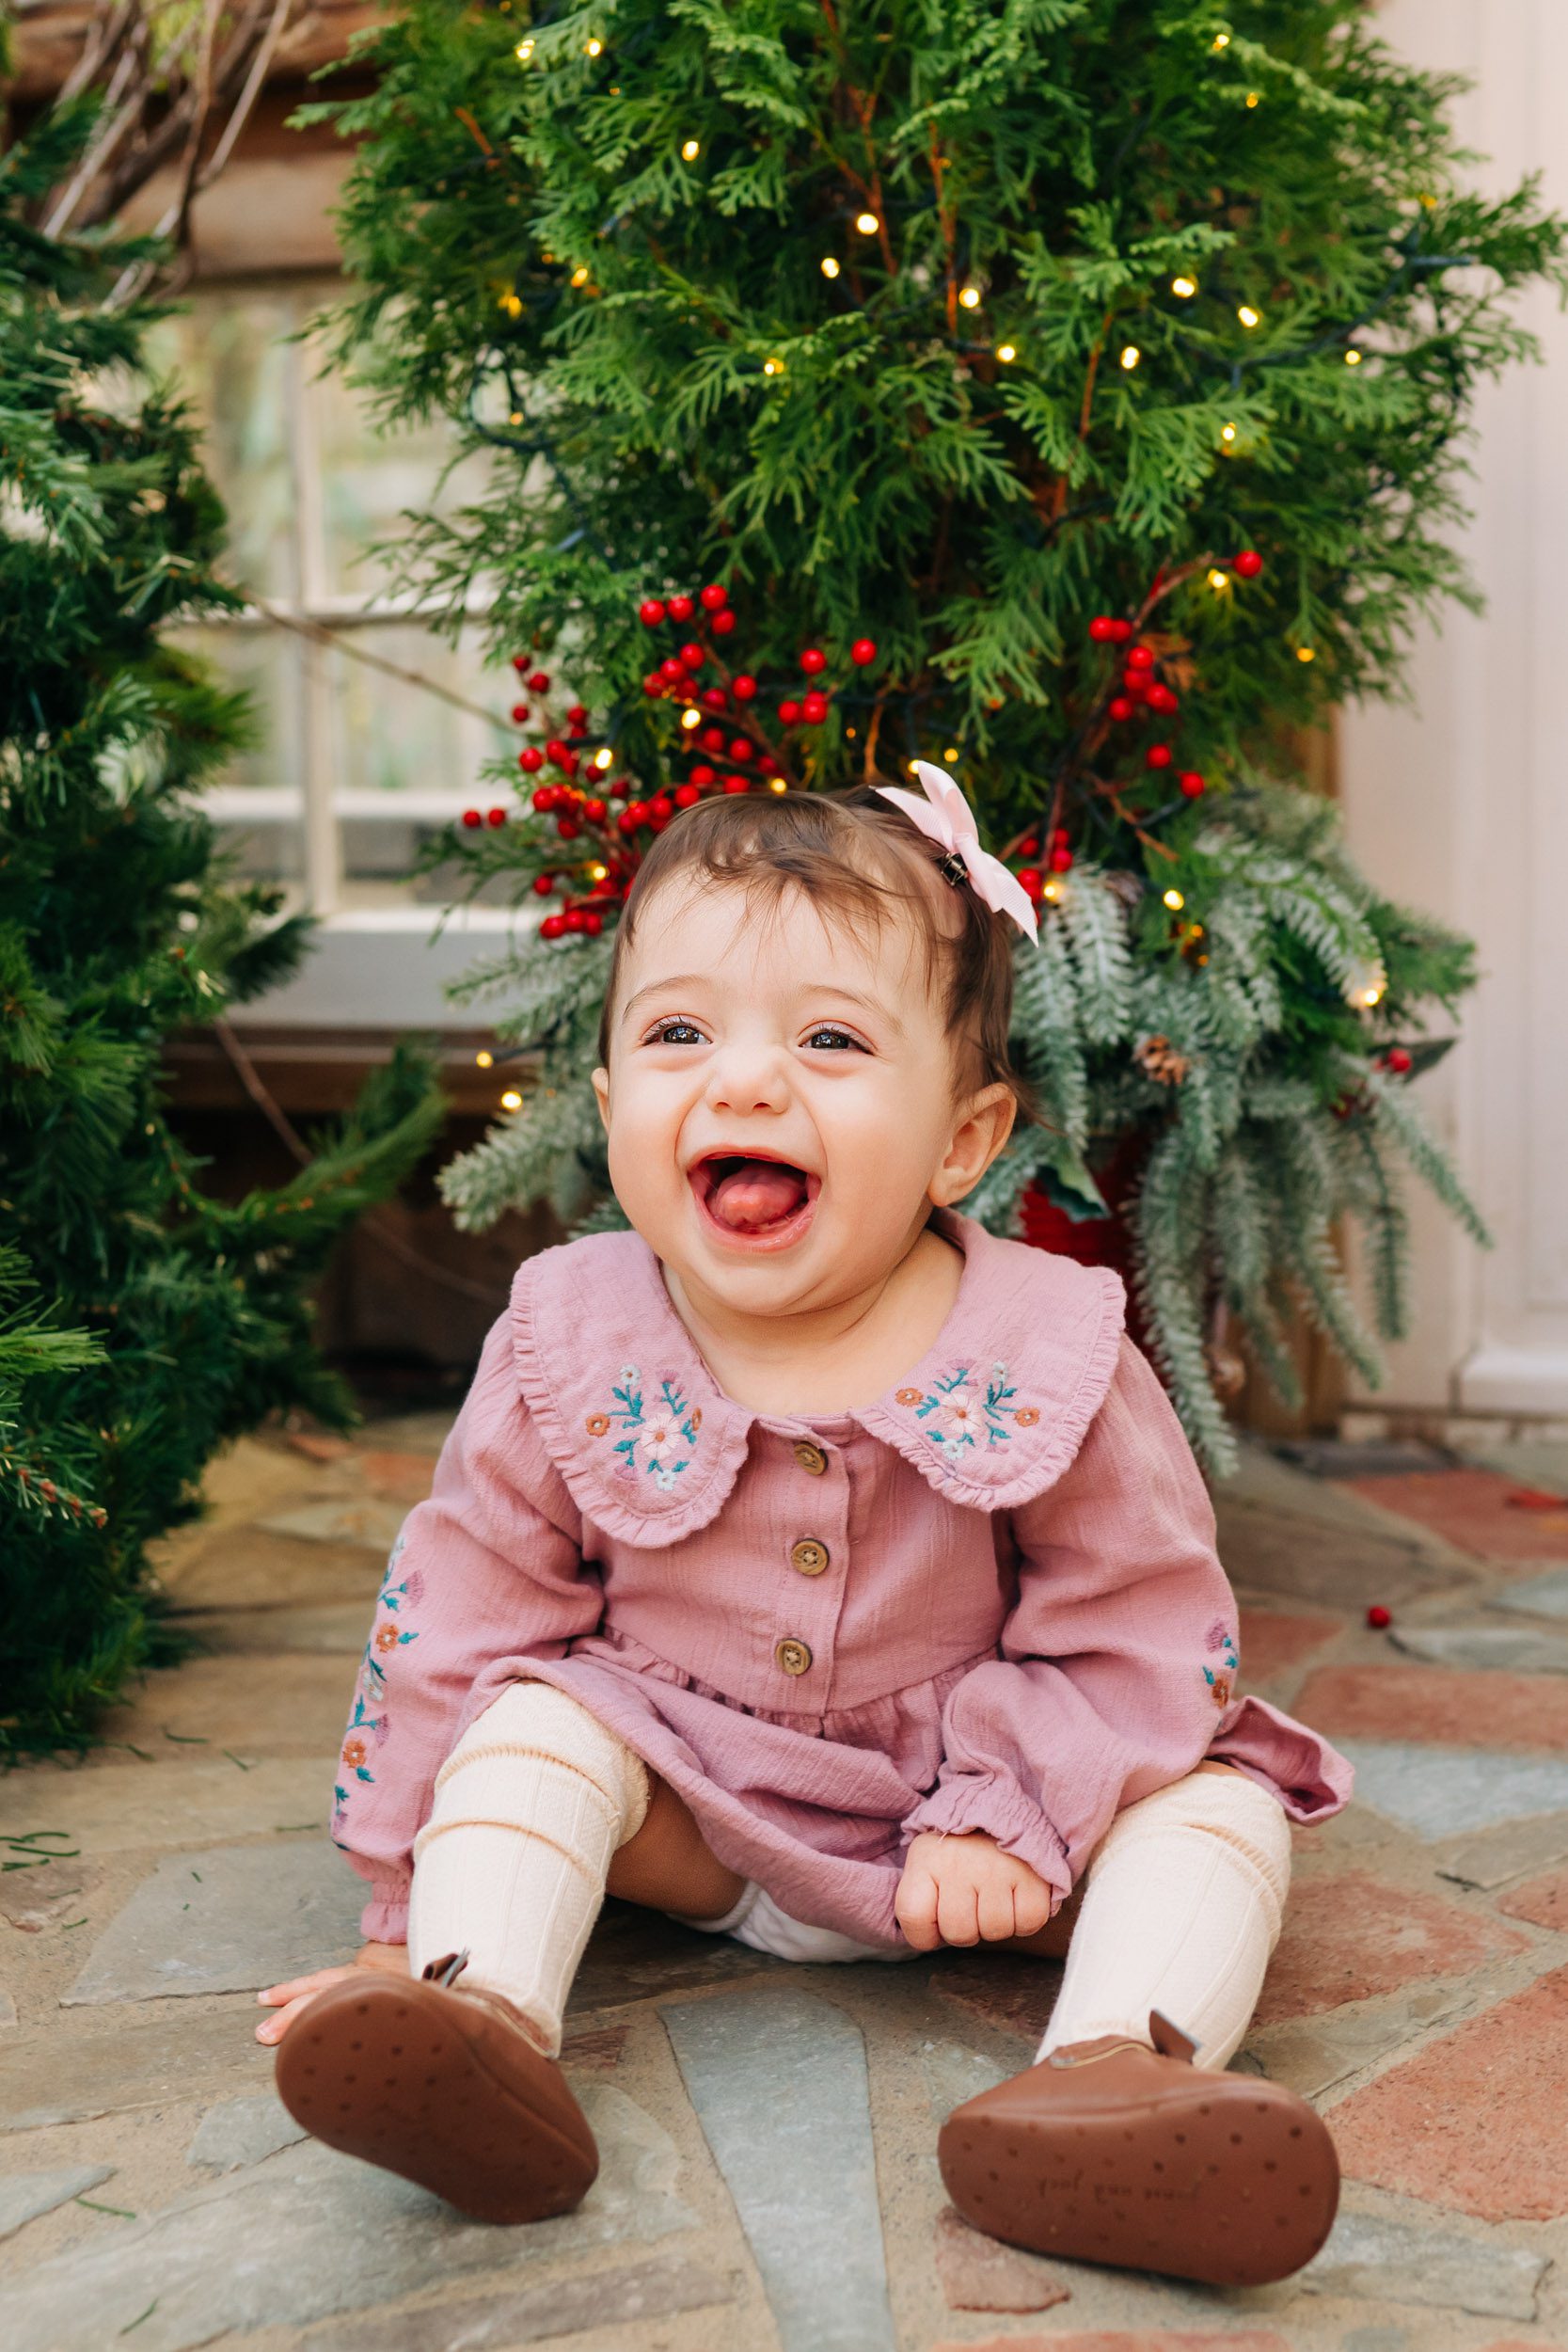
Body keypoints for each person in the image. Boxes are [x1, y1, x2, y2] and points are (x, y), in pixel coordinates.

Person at [258, 770, 1351, 2286]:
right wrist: (396, 1912)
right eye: (678, 1034)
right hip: (693, 1816)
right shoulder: (570, 1334)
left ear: (964, 1140)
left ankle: (1115, 2073)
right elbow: (462, 1606)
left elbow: (1150, 1633)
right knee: (532, 1727)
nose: (745, 1084)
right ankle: (477, 2014)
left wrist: (1011, 1808)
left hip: (975, 1838)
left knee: (1219, 1807)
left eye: (830, 1041)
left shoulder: (1049, 1352)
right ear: (608, 1101)